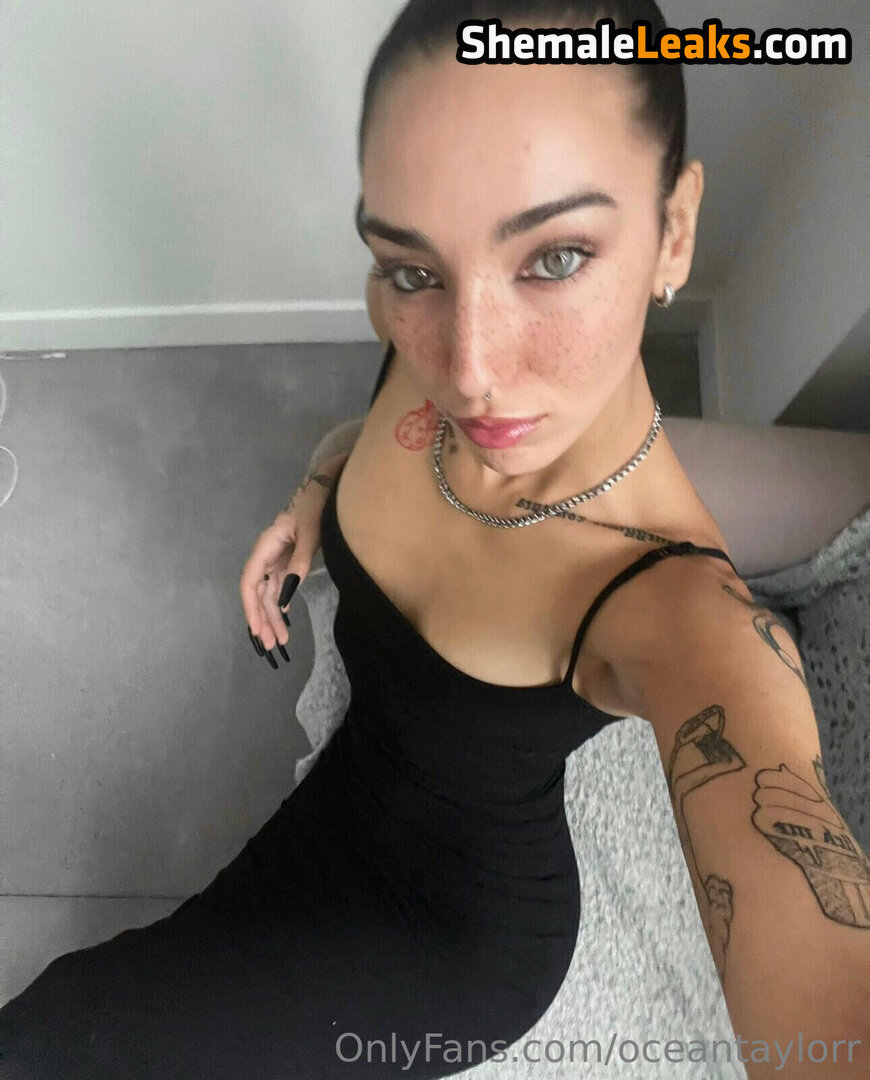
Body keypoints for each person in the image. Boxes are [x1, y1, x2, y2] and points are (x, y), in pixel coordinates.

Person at [1, 2, 867, 1078]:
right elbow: (370, 432)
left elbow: (814, 961)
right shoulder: (430, 350)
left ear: (675, 231)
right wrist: (313, 501)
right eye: (412, 268)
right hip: (350, 792)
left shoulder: (680, 610)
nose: (469, 371)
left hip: (449, 944)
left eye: (555, 257)